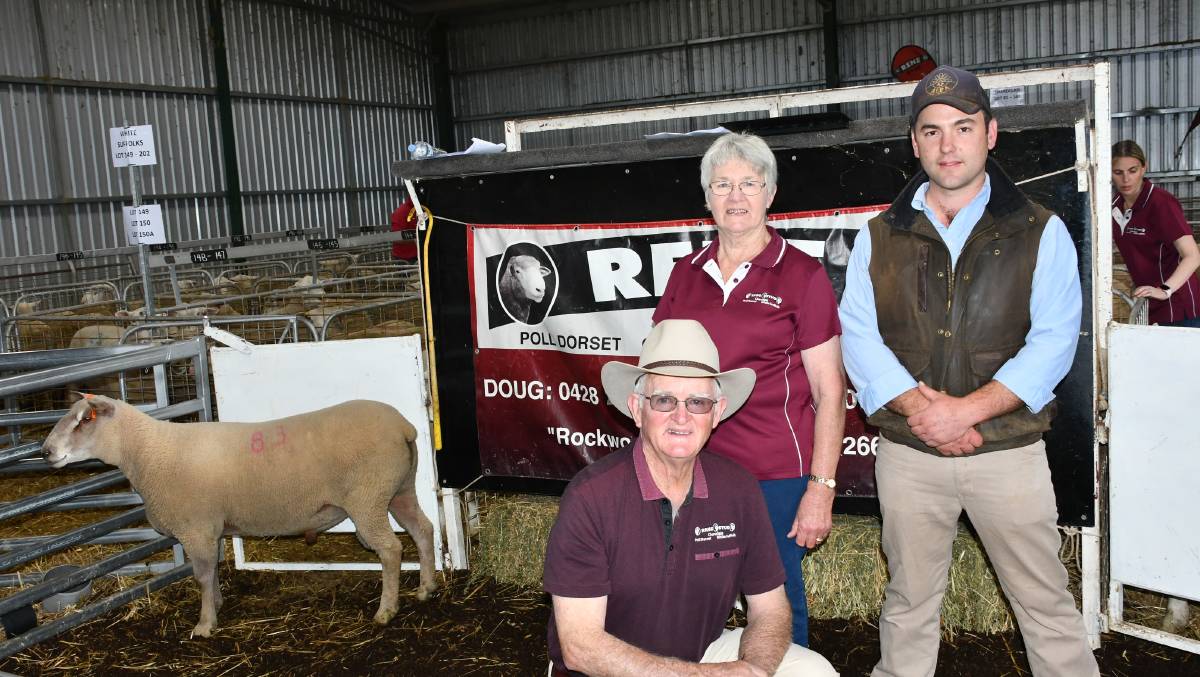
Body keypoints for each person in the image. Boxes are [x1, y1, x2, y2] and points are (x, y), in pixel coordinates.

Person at [838, 65, 1100, 676]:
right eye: (931, 131)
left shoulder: (1041, 229)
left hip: (1006, 453)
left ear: (992, 133)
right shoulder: (878, 235)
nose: (947, 145)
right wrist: (920, 412)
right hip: (909, 452)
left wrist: (964, 412)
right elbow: (860, 335)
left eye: (962, 127)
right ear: (914, 143)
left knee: (1045, 605)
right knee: (907, 604)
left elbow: (1055, 341)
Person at [543, 319, 838, 677]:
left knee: (812, 671)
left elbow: (771, 609)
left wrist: (753, 670)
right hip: (611, 667)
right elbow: (581, 647)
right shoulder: (590, 497)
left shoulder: (739, 489)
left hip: (702, 655)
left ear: (717, 412)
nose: (681, 417)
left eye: (697, 402)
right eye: (665, 400)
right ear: (637, 409)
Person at [653, 132, 845, 647]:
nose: (735, 197)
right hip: (692, 467)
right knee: (691, 594)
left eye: (748, 184)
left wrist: (819, 491)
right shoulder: (684, 275)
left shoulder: (802, 275)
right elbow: (660, 378)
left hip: (774, 474)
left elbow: (829, 393)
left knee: (776, 601)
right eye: (722, 185)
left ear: (770, 194)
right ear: (707, 197)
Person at [1111, 139, 1200, 327]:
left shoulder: (1161, 203)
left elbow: (1192, 255)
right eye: (1118, 172)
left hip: (1178, 305)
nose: (1126, 179)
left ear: (1144, 168)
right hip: (1148, 304)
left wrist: (1165, 289)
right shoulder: (1114, 206)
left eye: (1132, 170)